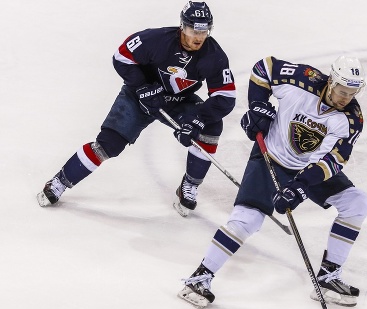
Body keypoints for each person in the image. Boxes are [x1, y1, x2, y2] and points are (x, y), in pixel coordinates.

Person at [178, 55, 367, 309]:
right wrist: (258, 107)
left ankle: (328, 276)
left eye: (353, 93)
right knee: (248, 219)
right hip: (271, 155)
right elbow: (263, 68)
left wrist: (301, 186)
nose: (346, 98)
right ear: (331, 81)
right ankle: (199, 279)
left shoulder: (352, 118)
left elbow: (335, 160)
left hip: (310, 169)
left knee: (356, 203)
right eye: (343, 91)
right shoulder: (303, 80)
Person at [36, 1, 236, 216]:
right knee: (108, 145)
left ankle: (189, 186)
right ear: (182, 26)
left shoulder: (214, 56)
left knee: (210, 127)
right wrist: (142, 87)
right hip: (138, 97)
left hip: (180, 101)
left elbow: (225, 96)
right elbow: (121, 56)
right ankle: (60, 181)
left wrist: (197, 120)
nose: (198, 37)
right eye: (192, 30)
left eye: (204, 31)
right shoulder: (156, 40)